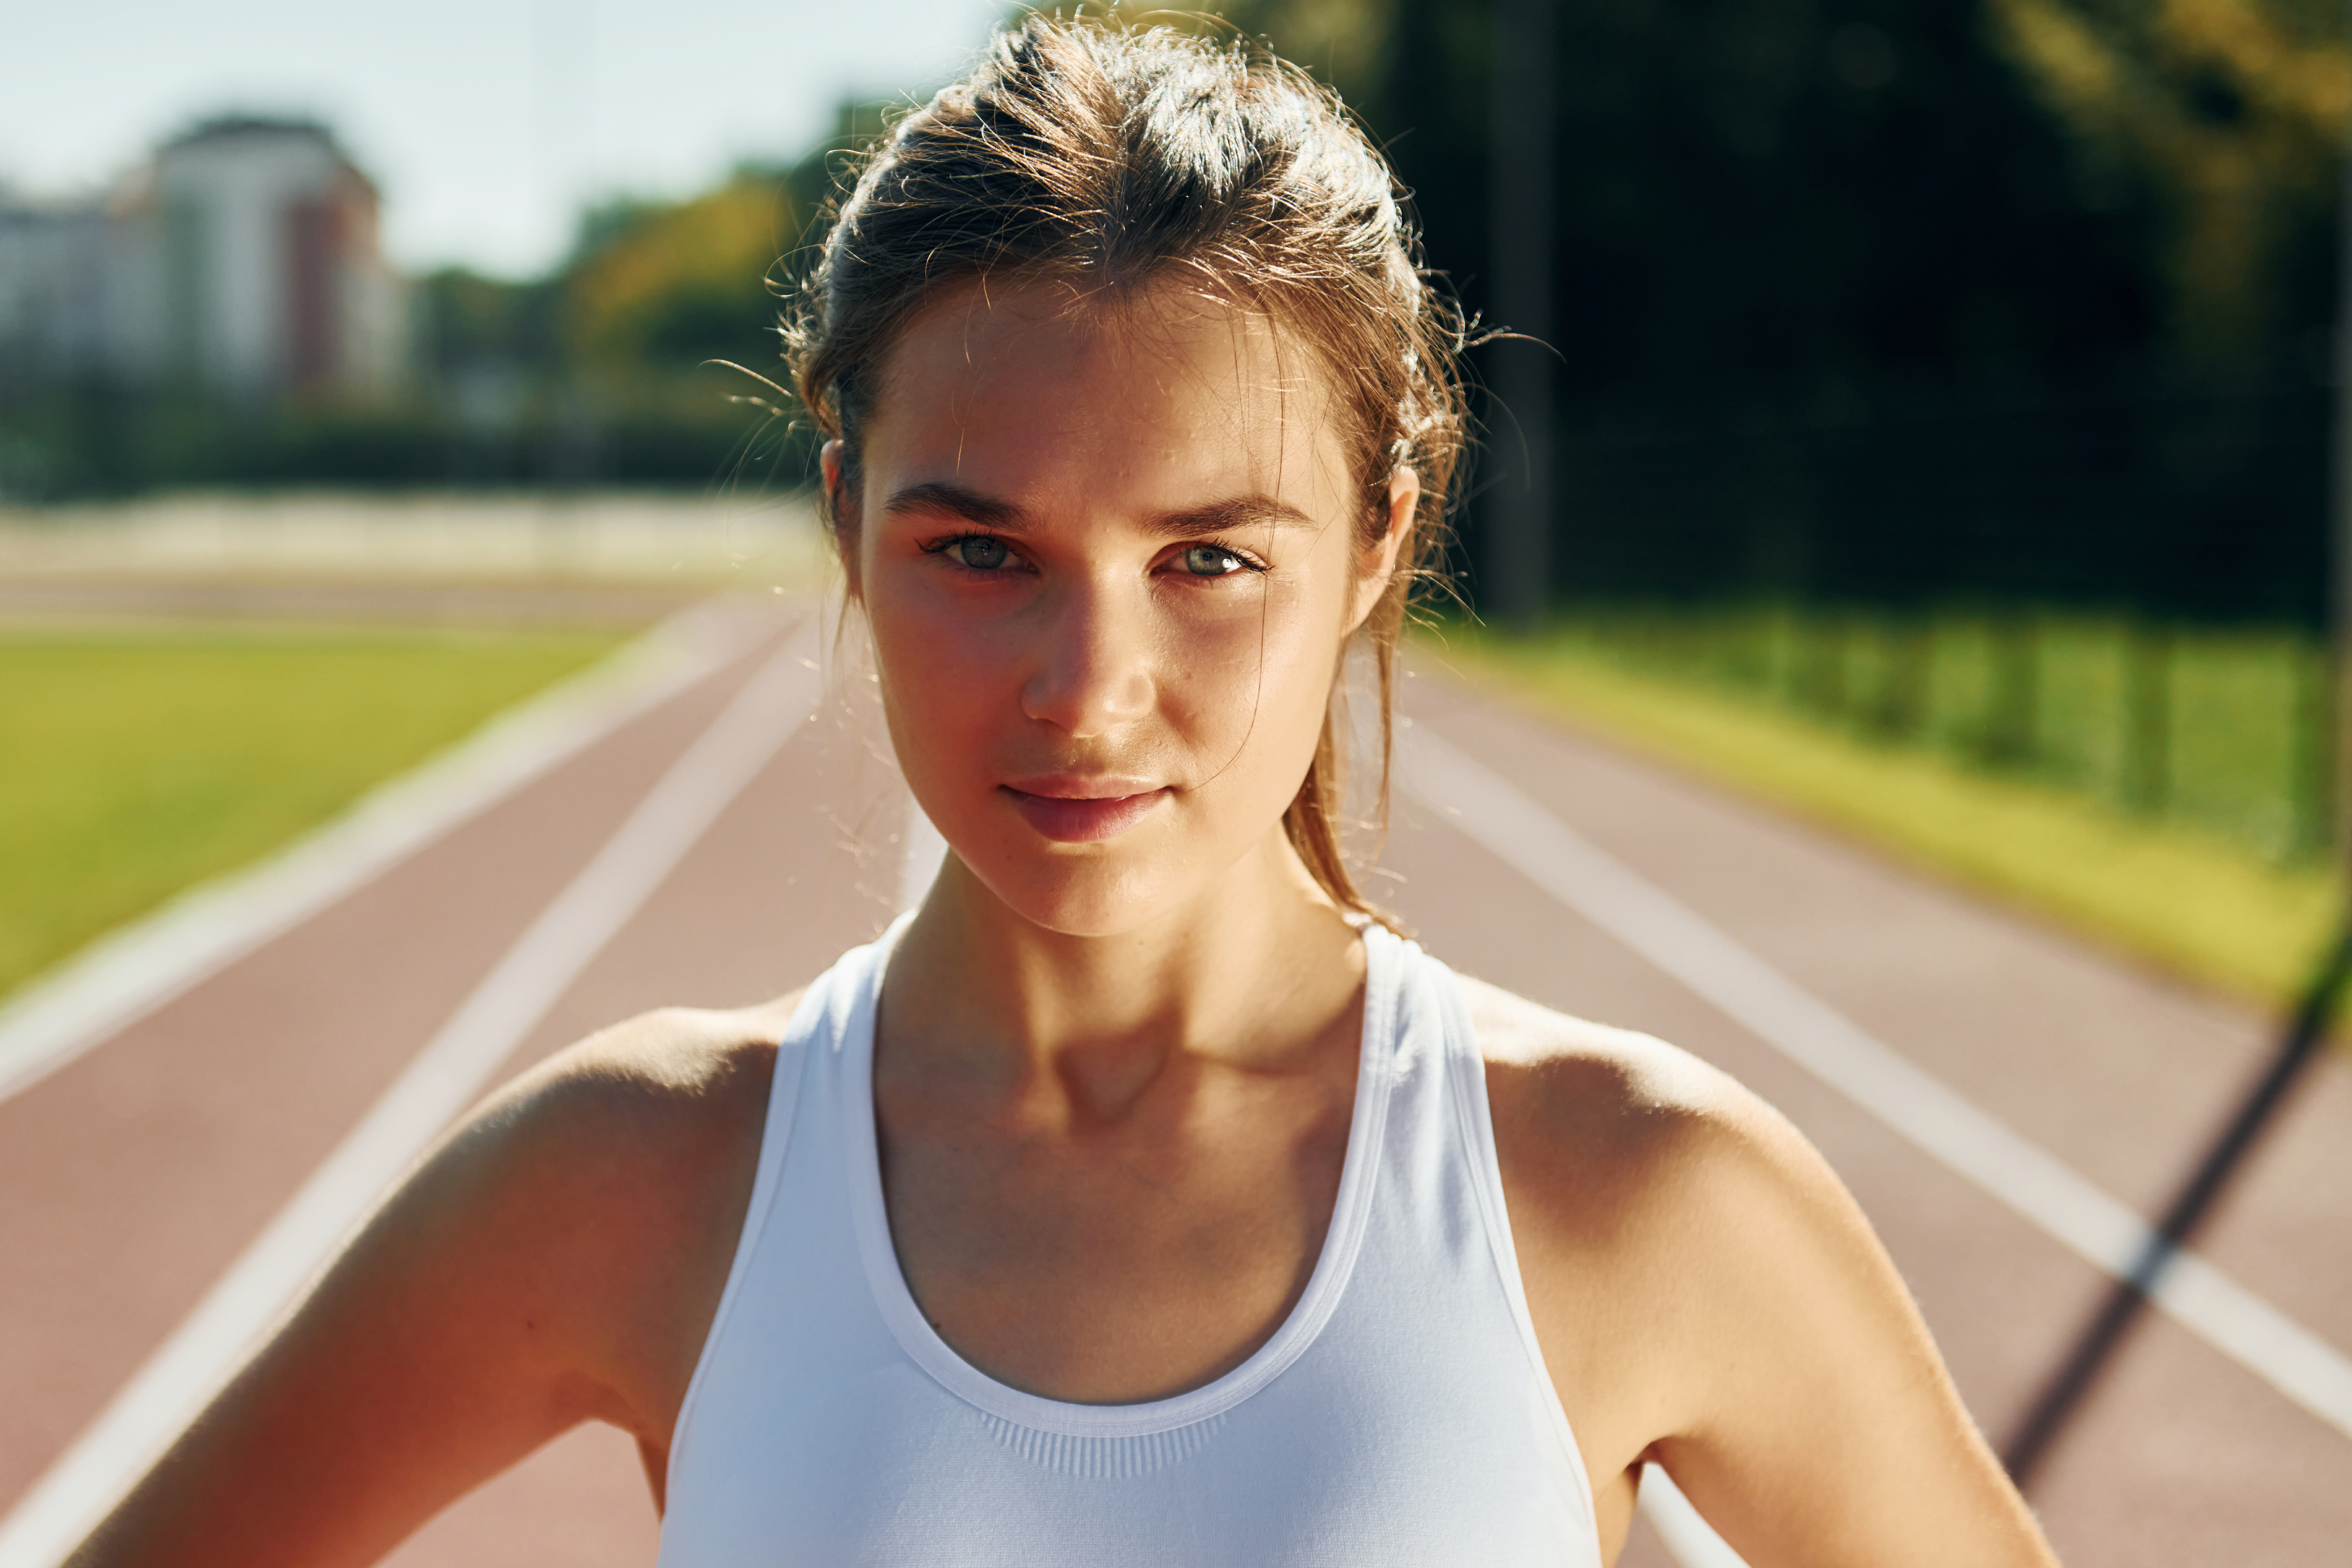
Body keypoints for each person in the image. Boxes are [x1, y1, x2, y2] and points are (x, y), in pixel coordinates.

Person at [74, 16, 2059, 1567]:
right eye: (981, 551)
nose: (1089, 693)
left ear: (1379, 538)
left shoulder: (1644, 1196)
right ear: (846, 511)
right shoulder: (631, 1178)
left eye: (1209, 561)